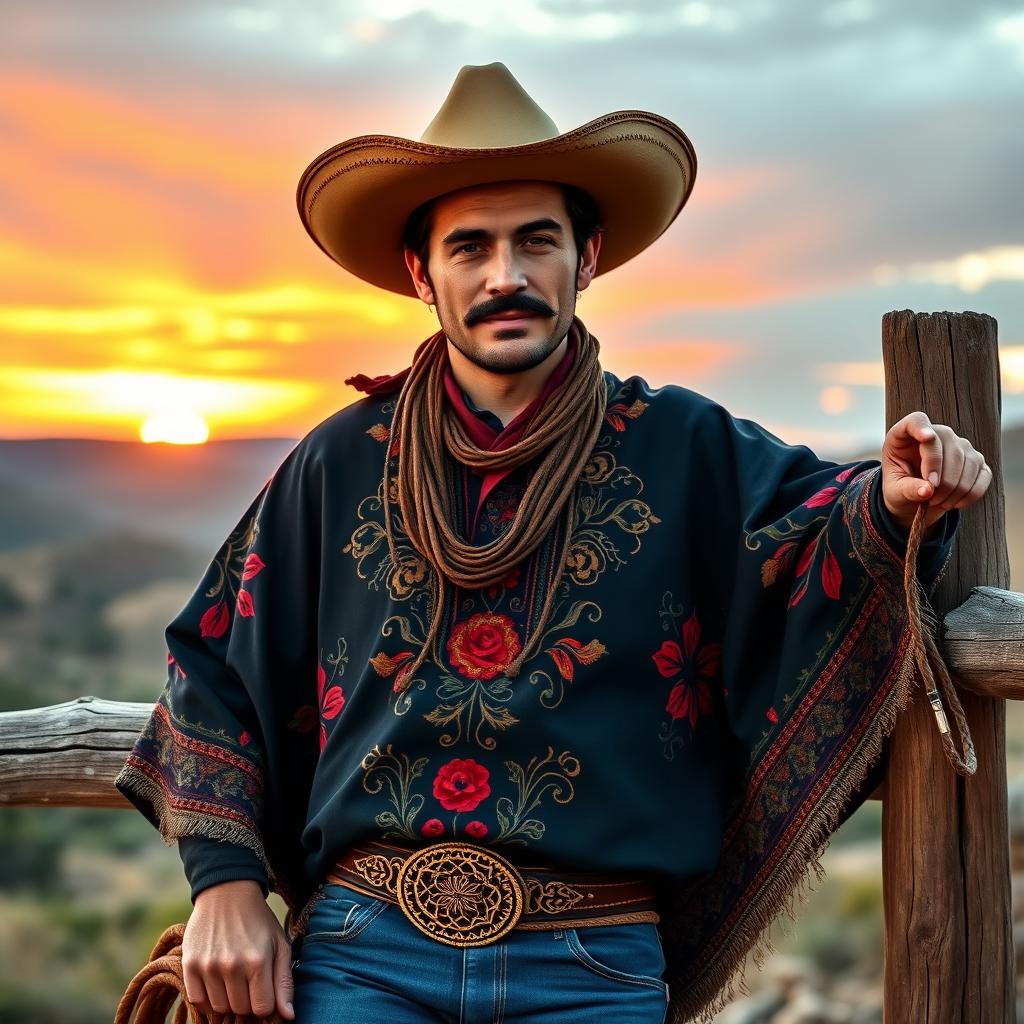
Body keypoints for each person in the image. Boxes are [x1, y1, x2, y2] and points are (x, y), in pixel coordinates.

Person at [114, 62, 989, 1024]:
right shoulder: (340, 462)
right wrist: (224, 884)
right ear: (421, 272)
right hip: (362, 953)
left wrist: (899, 498)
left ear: (588, 256)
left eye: (538, 240)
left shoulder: (685, 447)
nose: (506, 275)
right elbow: (212, 655)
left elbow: (821, 534)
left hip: (591, 965)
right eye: (469, 247)